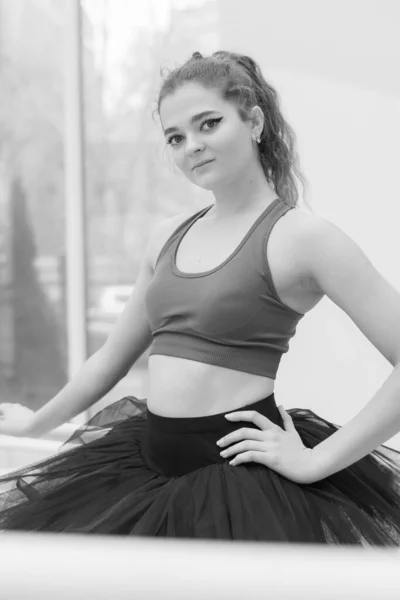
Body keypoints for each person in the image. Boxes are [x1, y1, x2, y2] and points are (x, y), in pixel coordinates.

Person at [1, 49, 400, 544]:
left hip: (239, 483)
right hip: (147, 466)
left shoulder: (303, 239)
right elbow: (110, 359)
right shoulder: (167, 235)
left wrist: (316, 460)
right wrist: (35, 424)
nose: (192, 146)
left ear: (254, 121)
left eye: (208, 124)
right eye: (175, 137)